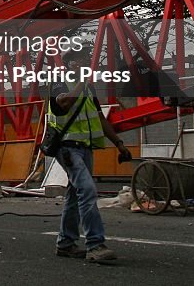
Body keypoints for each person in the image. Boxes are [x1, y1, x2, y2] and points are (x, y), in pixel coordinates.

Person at [48, 48, 132, 265]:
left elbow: (100, 119)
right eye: (81, 58)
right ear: (70, 63)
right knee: (86, 190)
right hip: (67, 148)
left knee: (75, 195)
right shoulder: (59, 81)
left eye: (87, 57)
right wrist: (82, 82)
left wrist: (119, 143)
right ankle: (95, 245)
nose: (86, 61)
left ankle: (65, 243)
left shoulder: (87, 88)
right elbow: (63, 103)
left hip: (84, 148)